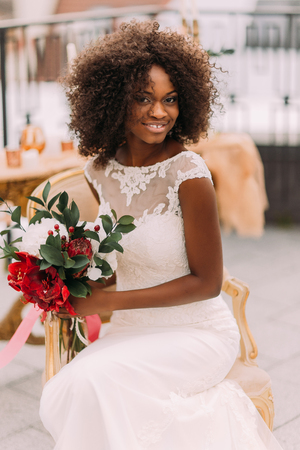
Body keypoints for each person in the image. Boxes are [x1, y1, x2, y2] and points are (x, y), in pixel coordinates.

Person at [40, 21, 283, 449]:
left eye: (170, 100)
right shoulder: (98, 171)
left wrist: (107, 302)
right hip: (133, 331)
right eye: (144, 98)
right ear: (115, 100)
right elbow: (119, 259)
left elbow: (208, 283)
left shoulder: (189, 173)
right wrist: (60, 283)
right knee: (72, 388)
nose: (159, 112)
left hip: (196, 334)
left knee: (96, 384)